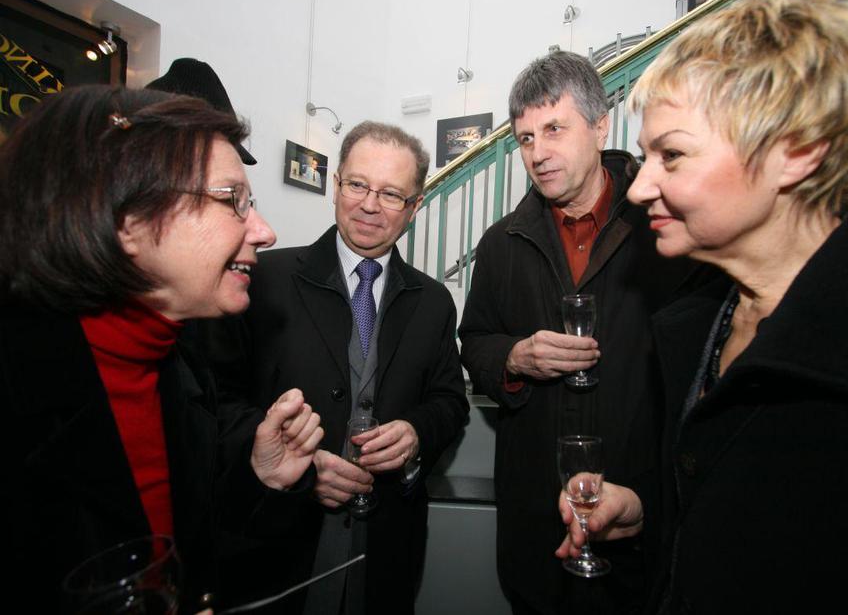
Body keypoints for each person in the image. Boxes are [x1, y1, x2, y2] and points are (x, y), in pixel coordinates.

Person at [557, 0, 848, 613]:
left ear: (797, 151)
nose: (640, 187)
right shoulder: (699, 324)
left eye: (672, 155)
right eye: (646, 156)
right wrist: (649, 510)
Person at [0, 85, 324, 612]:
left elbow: (189, 543)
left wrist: (260, 477)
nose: (265, 233)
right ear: (127, 220)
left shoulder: (180, 361)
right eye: (232, 200)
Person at [458, 51, 696, 615]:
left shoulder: (666, 226)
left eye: (554, 129)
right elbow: (476, 343)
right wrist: (513, 358)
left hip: (642, 523)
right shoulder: (500, 244)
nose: (537, 153)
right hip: (536, 529)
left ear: (600, 125)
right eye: (525, 138)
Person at [202, 120, 469, 614]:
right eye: (358, 185)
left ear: (415, 206)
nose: (369, 205)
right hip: (279, 544)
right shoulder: (263, 280)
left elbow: (450, 402)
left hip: (387, 543)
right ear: (336, 185)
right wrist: (300, 470)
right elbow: (215, 402)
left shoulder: (433, 302)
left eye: (391, 194)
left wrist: (416, 432)